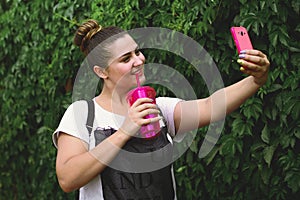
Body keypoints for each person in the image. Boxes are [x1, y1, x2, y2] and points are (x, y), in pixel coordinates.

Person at [53, 19, 270, 200]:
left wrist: (256, 80)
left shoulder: (158, 109)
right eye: (126, 58)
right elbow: (67, 178)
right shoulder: (83, 114)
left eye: (137, 52)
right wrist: (124, 132)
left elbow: (210, 106)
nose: (139, 60)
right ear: (101, 72)